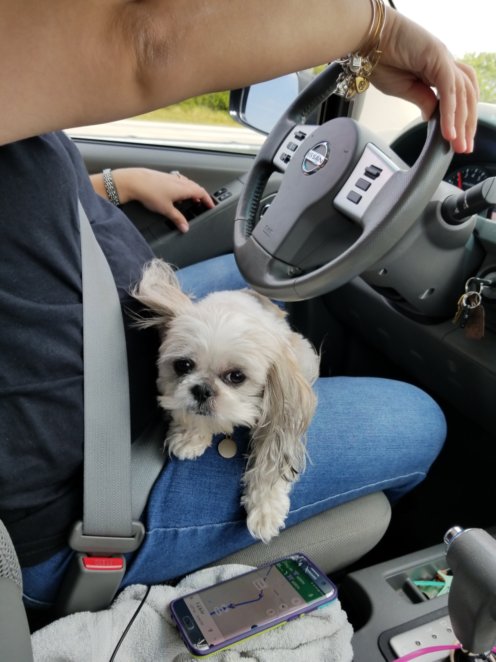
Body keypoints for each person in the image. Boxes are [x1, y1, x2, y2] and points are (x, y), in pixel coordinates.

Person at [0, 0, 478, 607]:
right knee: (420, 417)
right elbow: (147, 42)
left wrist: (111, 183)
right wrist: (376, 27)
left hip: (114, 329)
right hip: (89, 485)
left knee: (272, 275)